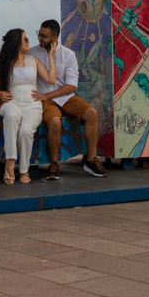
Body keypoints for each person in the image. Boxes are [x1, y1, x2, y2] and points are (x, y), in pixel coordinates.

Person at [28, 19, 106, 179]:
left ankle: (91, 160)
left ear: (54, 38)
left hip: (65, 97)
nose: (40, 38)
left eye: (44, 36)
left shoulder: (68, 55)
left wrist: (47, 95)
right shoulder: (33, 53)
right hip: (46, 101)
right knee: (55, 121)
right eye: (39, 34)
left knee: (91, 112)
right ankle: (54, 164)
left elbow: (71, 86)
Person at [0, 28, 56, 184]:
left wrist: (50, 56)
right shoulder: (6, 63)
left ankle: (24, 170)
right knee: (12, 116)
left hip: (32, 105)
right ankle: (10, 161)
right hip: (11, 102)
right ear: (16, 42)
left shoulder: (33, 60)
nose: (29, 41)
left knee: (25, 131)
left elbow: (51, 79)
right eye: (25, 39)